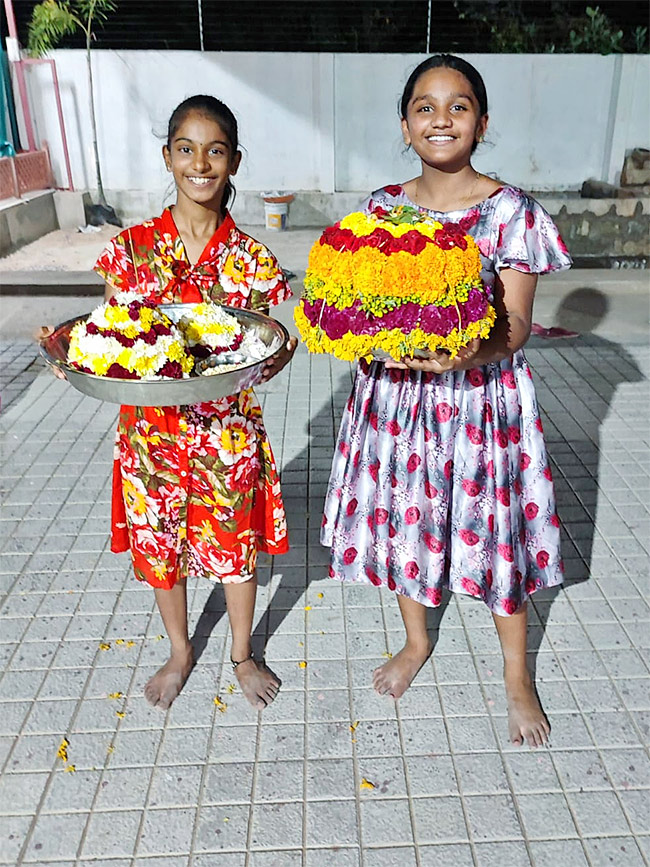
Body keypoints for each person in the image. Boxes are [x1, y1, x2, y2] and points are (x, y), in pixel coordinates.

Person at [321, 55, 572, 748]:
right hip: (397, 401)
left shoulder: (512, 211)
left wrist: (466, 351)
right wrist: (361, 334)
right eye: (425, 107)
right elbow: (361, 306)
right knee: (410, 523)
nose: (441, 118)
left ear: (482, 123)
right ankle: (414, 640)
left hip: (482, 403)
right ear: (405, 126)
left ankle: (517, 673)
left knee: (496, 538)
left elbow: (516, 326)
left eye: (458, 106)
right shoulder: (381, 208)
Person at [46, 95, 297, 711]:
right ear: (168, 157)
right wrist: (70, 351)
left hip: (226, 432)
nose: (200, 164)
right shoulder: (129, 251)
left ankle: (241, 651)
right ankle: (181, 650)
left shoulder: (253, 261)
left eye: (215, 151)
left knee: (234, 546)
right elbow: (108, 338)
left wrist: (279, 354)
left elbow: (252, 350)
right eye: (186, 149)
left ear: (234, 162)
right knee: (161, 547)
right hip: (149, 438)